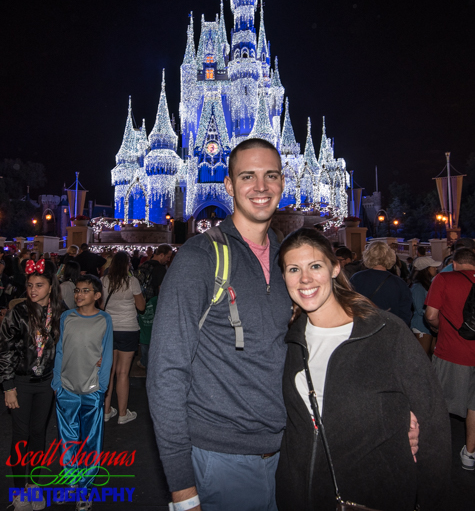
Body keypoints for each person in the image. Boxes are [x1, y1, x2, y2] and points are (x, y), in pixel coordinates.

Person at [146, 140, 421, 511]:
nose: (261, 187)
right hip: (221, 459)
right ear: (228, 185)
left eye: (270, 175)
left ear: (282, 182)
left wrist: (391, 410)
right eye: (248, 176)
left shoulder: (288, 262)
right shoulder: (199, 258)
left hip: (289, 454)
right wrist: (182, 490)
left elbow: (324, 344)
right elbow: (166, 373)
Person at [276, 228, 451, 511]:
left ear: (335, 268)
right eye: (293, 269)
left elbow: (432, 423)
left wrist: (431, 499)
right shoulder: (288, 338)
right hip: (301, 496)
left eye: (315, 266)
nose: (305, 278)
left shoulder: (385, 331)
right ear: (283, 276)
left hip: (375, 496)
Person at [0, 259, 65, 510]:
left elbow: (71, 340)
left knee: (39, 434)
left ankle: (34, 486)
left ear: (51, 286)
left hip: (47, 383)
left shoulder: (60, 311)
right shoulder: (17, 312)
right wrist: (8, 387)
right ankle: (18, 491)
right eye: (29, 285)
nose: (33, 290)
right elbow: (5, 352)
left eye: (39, 285)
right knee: (20, 436)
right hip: (21, 383)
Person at [52, 274, 113, 511]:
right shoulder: (66, 317)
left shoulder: (105, 320)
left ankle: (85, 488)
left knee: (90, 441)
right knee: (68, 440)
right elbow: (60, 350)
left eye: (85, 291)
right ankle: (70, 483)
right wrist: (57, 383)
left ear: (97, 296)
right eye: (77, 290)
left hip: (92, 390)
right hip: (66, 388)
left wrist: (102, 387)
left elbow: (107, 355)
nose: (78, 294)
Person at [425, 248, 475, 470]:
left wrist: (439, 329)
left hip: (452, 351)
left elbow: (431, 315)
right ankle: (470, 454)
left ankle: (434, 452)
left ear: (454, 263)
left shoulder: (443, 278)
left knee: (439, 402)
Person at [102, 251, 145, 424]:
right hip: (128, 329)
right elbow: (141, 306)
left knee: (109, 371)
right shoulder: (132, 281)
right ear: (127, 264)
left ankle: (106, 411)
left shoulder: (104, 281)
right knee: (123, 372)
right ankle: (122, 414)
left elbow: (100, 304)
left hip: (108, 329)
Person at [351, 241, 413, 326]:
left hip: (363, 329)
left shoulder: (357, 278)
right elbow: (405, 314)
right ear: (390, 256)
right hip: (391, 330)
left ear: (367, 256)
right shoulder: (399, 283)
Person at [410, 256, 441, 355]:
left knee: (431, 355)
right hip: (421, 326)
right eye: (433, 267)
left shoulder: (429, 285)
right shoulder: (418, 287)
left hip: (428, 325)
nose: (436, 269)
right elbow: (419, 309)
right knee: (422, 357)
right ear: (425, 270)